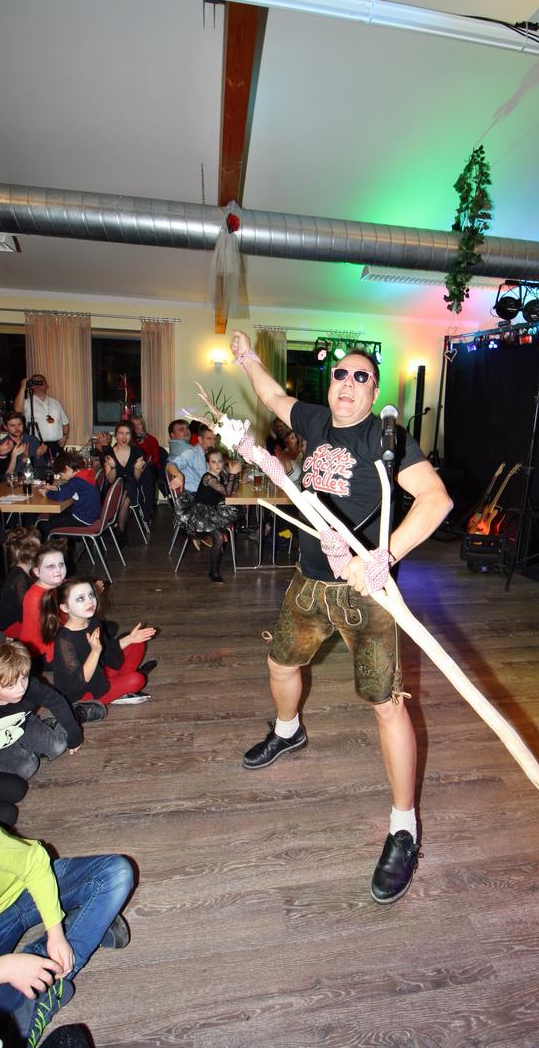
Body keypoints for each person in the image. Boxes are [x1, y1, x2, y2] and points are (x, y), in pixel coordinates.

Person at [230, 330, 453, 905]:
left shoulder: (387, 438)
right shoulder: (314, 421)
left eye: (361, 376)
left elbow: (436, 500)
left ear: (374, 391)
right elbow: (272, 396)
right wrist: (247, 358)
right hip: (309, 581)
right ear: (329, 385)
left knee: (386, 705)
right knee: (280, 664)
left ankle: (403, 828)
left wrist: (385, 556)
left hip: (366, 594)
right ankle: (288, 731)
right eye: (340, 374)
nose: (348, 382)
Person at [0, 820, 133, 1046]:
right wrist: (4, 969)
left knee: (116, 874)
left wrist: (56, 932)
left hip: (21, 889)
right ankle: (84, 931)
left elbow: (34, 862)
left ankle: (47, 968)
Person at [42, 578, 156, 708]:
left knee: (137, 643)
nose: (90, 601)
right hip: (83, 693)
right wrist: (95, 652)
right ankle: (119, 690)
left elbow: (108, 651)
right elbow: (77, 683)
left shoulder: (93, 621)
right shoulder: (64, 639)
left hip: (100, 674)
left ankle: (119, 690)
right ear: (65, 608)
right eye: (80, 599)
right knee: (137, 679)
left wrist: (130, 638)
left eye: (91, 595)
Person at [0, 641, 82, 781]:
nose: (21, 689)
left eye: (24, 678)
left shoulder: (31, 686)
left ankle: (72, 715)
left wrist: (75, 734)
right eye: (10, 685)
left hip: (23, 722)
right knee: (27, 767)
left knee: (58, 747)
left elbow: (57, 702)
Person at [174, 449, 240, 582]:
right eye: (213, 462)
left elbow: (233, 489)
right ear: (208, 463)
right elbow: (227, 492)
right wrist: (232, 474)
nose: (218, 464)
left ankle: (218, 541)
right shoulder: (208, 478)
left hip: (212, 511)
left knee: (231, 520)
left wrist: (235, 474)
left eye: (220, 461)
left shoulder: (221, 475)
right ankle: (213, 572)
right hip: (199, 515)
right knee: (219, 537)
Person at [19, 543, 67, 666]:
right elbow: (48, 634)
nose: (58, 570)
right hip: (41, 651)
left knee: (105, 628)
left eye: (61, 564)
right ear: (37, 572)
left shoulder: (59, 584)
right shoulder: (34, 598)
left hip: (60, 634)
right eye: (51, 566)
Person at [100, 423, 147, 542]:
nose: (124, 437)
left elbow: (137, 478)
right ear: (116, 435)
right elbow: (110, 479)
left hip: (132, 487)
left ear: (132, 436)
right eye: (121, 433)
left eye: (127, 433)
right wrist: (113, 467)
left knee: (127, 487)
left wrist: (137, 468)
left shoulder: (137, 452)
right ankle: (121, 532)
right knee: (125, 500)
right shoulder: (109, 453)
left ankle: (113, 523)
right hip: (113, 488)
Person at [38, 453, 101, 536]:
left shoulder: (77, 480)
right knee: (54, 517)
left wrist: (47, 492)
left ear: (67, 469)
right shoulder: (86, 474)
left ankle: (56, 542)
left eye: (60, 474)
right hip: (91, 515)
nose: (61, 477)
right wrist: (57, 487)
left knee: (46, 526)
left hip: (82, 518)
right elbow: (69, 487)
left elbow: (61, 496)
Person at [0, 530, 41, 640]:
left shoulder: (26, 572)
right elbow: (25, 608)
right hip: (12, 624)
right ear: (30, 558)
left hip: (18, 618)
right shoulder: (19, 578)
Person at [13, 376, 70, 459]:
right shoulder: (28, 403)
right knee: (40, 467)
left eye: (40, 382)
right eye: (35, 382)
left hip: (57, 445)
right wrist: (23, 387)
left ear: (47, 385)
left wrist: (65, 436)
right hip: (37, 446)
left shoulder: (56, 403)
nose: (38, 384)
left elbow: (65, 422)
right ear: (31, 386)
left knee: (59, 467)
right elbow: (17, 410)